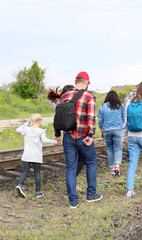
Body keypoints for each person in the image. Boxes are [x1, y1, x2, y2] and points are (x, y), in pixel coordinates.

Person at [55, 71, 102, 208]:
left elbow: (58, 116)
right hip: (83, 137)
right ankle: (91, 195)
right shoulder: (89, 96)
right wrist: (91, 135)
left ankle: (73, 202)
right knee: (91, 163)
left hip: (68, 137)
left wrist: (57, 134)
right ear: (87, 83)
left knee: (70, 168)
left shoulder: (64, 95)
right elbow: (91, 117)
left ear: (75, 82)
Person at [48, 84, 84, 192]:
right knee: (80, 160)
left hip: (66, 136)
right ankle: (73, 183)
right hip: (78, 135)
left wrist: (57, 135)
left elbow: (57, 121)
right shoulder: (76, 102)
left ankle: (73, 184)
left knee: (71, 164)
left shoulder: (60, 104)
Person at [15, 113, 58, 198]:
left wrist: (27, 123)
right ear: (39, 121)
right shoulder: (41, 131)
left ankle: (20, 185)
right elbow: (45, 140)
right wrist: (55, 142)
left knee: (25, 171)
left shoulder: (26, 129)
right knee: (37, 173)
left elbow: (17, 129)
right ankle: (38, 192)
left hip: (27, 155)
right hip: (36, 156)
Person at [98, 90, 125, 176]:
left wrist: (101, 131)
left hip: (106, 130)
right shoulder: (121, 106)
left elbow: (100, 120)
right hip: (118, 129)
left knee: (109, 149)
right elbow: (124, 118)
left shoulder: (102, 107)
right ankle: (117, 166)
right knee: (118, 148)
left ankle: (112, 168)